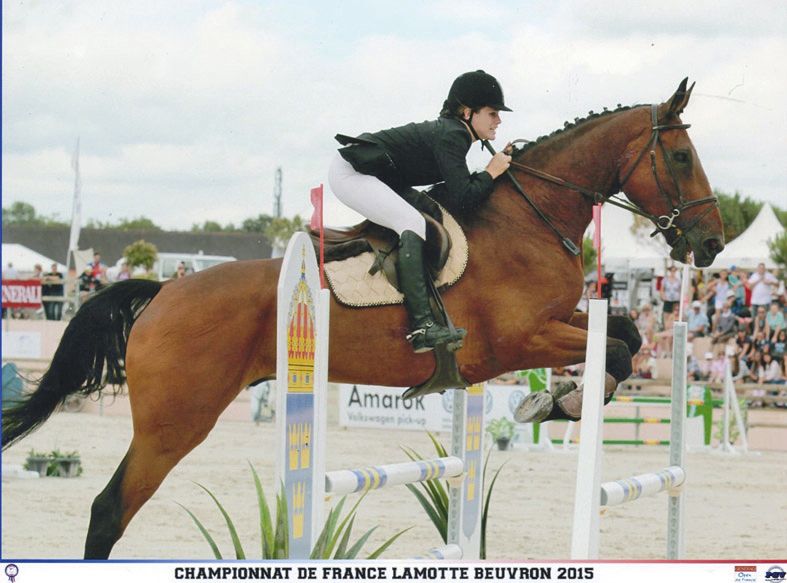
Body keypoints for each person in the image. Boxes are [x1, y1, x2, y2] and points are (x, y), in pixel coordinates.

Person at [328, 70, 513, 353]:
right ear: (467, 112)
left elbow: (458, 190)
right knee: (412, 222)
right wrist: (491, 172)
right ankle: (421, 327)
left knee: (429, 212)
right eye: (492, 113)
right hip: (352, 173)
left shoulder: (453, 132)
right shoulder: (453, 135)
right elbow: (464, 197)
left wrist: (491, 172)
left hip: (380, 175)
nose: (498, 120)